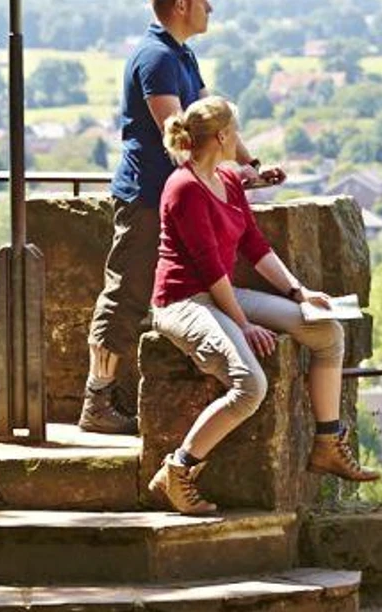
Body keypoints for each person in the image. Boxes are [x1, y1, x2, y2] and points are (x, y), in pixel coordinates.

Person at [145, 96, 378, 515]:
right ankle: (177, 470)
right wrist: (243, 324)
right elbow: (209, 268)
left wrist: (299, 292)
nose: (240, 138)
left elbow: (254, 244)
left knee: (327, 333)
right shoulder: (183, 188)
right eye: (236, 130)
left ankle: (328, 443)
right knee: (250, 385)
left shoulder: (228, 180)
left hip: (221, 293)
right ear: (222, 136)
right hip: (183, 301)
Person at [81, 0, 284, 434]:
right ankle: (97, 400)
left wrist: (250, 165)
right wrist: (225, 177)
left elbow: (213, 120)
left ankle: (106, 398)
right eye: (203, 1)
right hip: (147, 198)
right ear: (180, 5)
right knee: (125, 294)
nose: (210, 7)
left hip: (168, 196)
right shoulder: (156, 58)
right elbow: (180, 138)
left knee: (135, 294)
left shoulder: (179, 54)